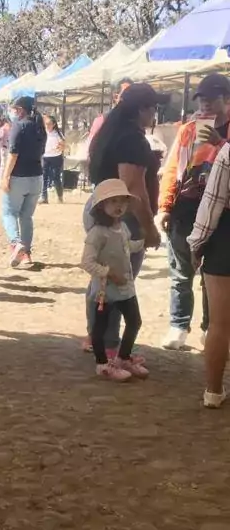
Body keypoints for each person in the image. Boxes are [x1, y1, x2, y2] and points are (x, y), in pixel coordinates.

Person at [84, 82, 164, 355]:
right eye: (154, 108)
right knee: (121, 281)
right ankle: (108, 345)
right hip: (121, 212)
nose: (155, 114)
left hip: (100, 205)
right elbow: (132, 189)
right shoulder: (133, 139)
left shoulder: (109, 132)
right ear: (142, 109)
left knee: (103, 279)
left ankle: (96, 336)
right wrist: (149, 227)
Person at [158, 73, 230, 350]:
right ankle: (178, 325)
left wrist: (219, 143)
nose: (206, 105)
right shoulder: (188, 129)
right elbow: (173, 168)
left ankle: (211, 329)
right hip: (186, 208)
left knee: (214, 274)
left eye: (211, 99)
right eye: (202, 100)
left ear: (226, 98)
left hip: (220, 212)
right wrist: (165, 206)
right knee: (180, 271)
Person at [81, 179, 148, 382]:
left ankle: (123, 357)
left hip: (126, 287)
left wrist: (144, 243)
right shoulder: (97, 233)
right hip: (105, 291)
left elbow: (127, 248)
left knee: (134, 321)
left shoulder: (123, 227)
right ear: (102, 206)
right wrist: (108, 273)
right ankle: (102, 364)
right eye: (113, 202)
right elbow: (87, 262)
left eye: (122, 201)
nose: (119, 206)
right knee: (99, 329)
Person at [188, 142, 230, 408]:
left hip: (226, 239)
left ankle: (213, 391)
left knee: (219, 324)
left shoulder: (228, 152)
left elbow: (212, 201)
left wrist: (197, 242)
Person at [0, 96, 46, 267]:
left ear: (20, 110)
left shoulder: (18, 126)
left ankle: (15, 243)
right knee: (26, 217)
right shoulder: (39, 127)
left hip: (19, 176)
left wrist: (5, 177)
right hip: (37, 177)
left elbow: (13, 154)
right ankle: (26, 255)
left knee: (8, 213)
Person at [88, 77, 134, 152]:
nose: (131, 98)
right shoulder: (102, 121)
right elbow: (90, 151)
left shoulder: (136, 122)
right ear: (116, 97)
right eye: (127, 94)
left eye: (133, 94)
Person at [40, 115, 65, 205]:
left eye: (49, 124)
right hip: (45, 157)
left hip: (56, 158)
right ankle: (44, 197)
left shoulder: (57, 134)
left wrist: (60, 147)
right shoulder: (43, 133)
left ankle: (60, 196)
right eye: (46, 124)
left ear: (54, 124)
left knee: (56, 177)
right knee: (44, 177)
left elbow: (63, 145)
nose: (47, 126)